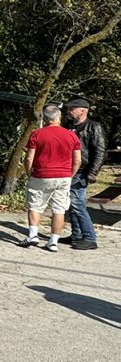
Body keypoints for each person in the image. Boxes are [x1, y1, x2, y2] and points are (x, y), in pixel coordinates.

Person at [18, 104, 81, 252]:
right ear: (58, 117)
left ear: (45, 118)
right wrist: (70, 174)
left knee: (35, 205)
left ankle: (33, 235)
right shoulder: (72, 135)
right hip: (63, 176)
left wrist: (29, 173)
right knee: (59, 209)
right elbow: (77, 160)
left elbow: (28, 159)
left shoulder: (36, 134)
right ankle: (53, 242)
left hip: (41, 174)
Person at [61, 97, 106, 250]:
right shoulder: (69, 126)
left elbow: (99, 151)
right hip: (68, 169)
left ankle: (89, 237)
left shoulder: (93, 127)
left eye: (72, 109)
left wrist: (92, 173)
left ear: (83, 110)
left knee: (78, 204)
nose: (69, 112)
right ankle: (77, 235)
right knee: (71, 204)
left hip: (82, 171)